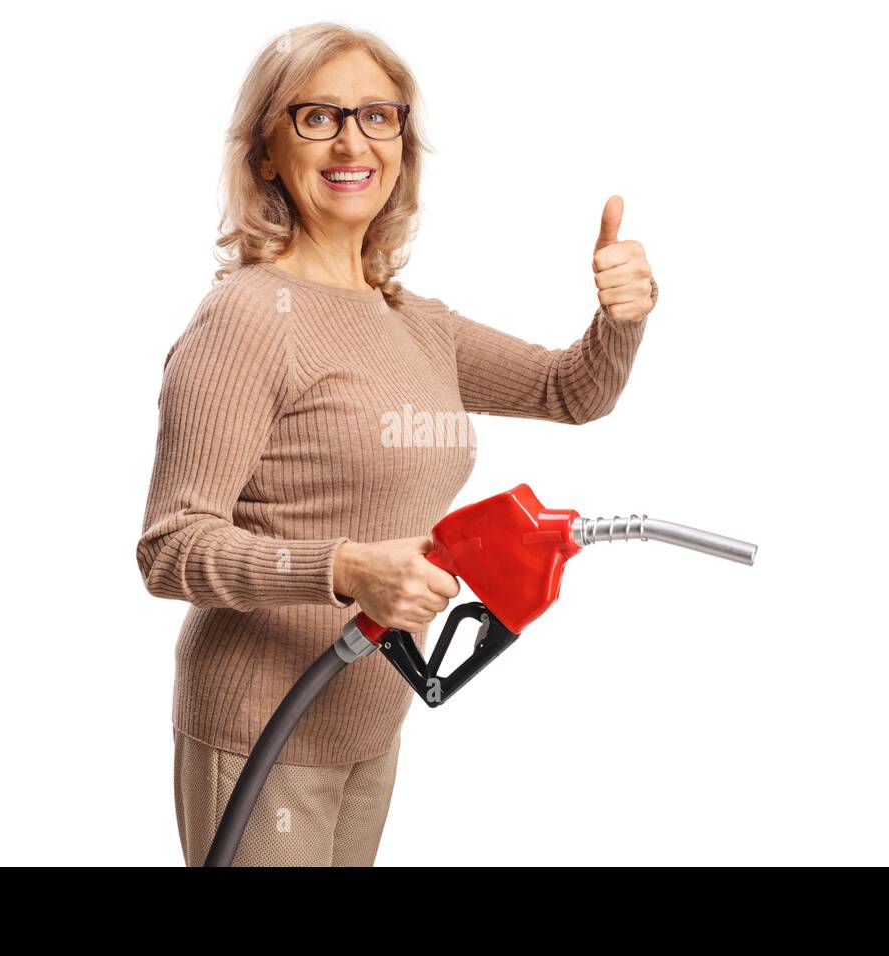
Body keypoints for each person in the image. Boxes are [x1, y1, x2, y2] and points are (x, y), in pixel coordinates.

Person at [136, 22, 658, 866]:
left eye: (379, 117)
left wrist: (622, 317)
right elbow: (169, 550)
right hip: (262, 722)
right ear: (267, 150)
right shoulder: (245, 318)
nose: (353, 141)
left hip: (368, 715)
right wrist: (343, 569)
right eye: (318, 117)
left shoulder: (416, 323)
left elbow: (573, 390)